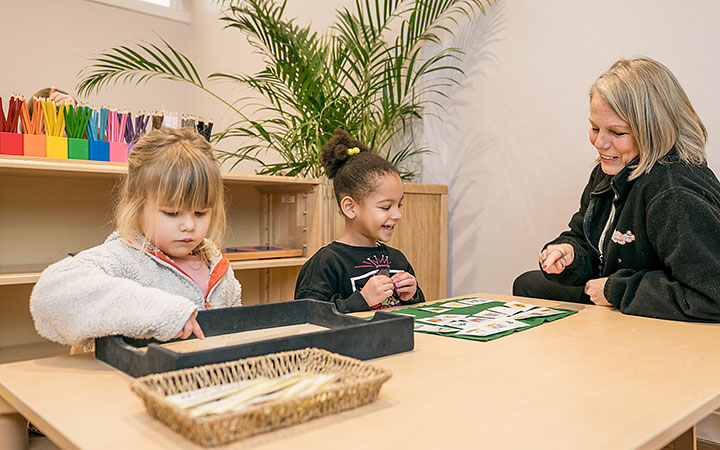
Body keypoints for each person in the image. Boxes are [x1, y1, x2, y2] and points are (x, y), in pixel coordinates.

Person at [513, 57, 720, 322]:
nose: (600, 142)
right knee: (528, 285)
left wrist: (616, 290)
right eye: (595, 127)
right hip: (615, 293)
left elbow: (712, 296)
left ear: (654, 130)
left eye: (617, 133)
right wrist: (570, 253)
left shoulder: (674, 193)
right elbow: (587, 239)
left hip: (652, 311)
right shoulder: (611, 169)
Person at [30, 127, 242, 348]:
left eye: (200, 213)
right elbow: (50, 295)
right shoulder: (121, 259)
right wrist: (161, 310)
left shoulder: (215, 263)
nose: (189, 226)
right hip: (135, 380)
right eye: (171, 213)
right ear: (135, 204)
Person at [294, 129, 425, 313]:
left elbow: (415, 312)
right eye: (386, 207)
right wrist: (362, 300)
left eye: (399, 205)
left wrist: (413, 294)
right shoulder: (327, 263)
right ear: (350, 207)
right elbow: (306, 317)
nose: (397, 215)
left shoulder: (397, 260)